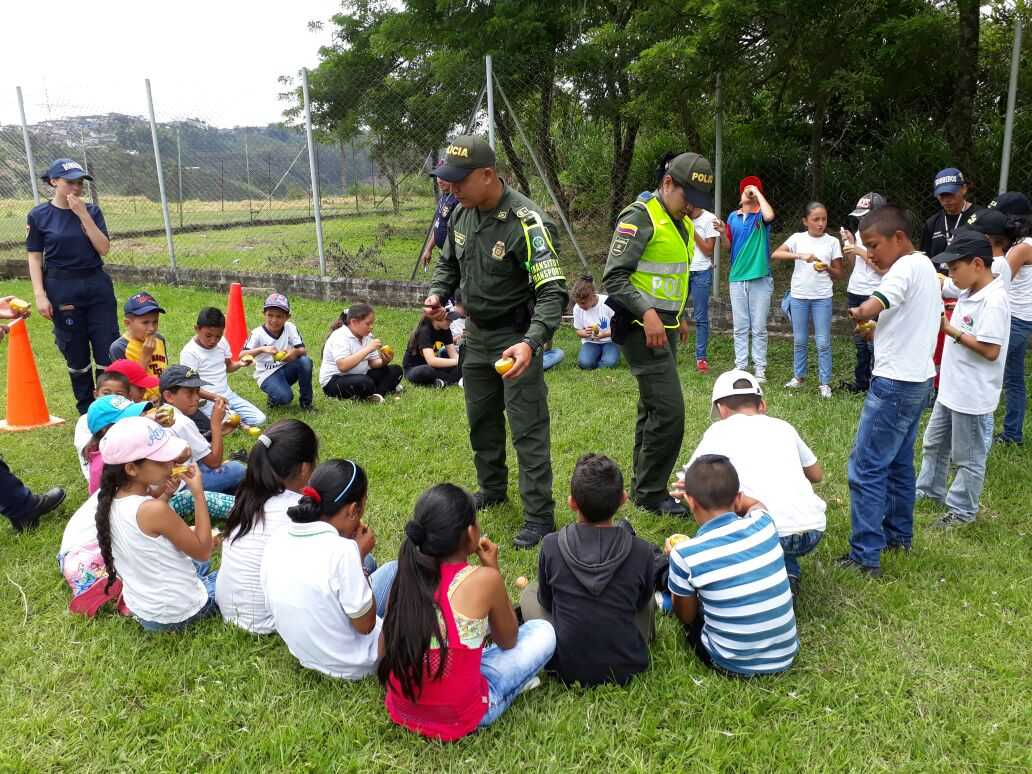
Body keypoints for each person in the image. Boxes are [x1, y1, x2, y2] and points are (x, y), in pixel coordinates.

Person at [424, 135, 569, 548]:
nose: (450, 188)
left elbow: (552, 291)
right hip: (476, 337)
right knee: (481, 421)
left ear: (488, 175)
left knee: (528, 428)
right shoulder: (460, 214)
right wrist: (438, 294)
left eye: (458, 180)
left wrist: (532, 342)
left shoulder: (528, 222)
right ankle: (491, 488)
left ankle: (539, 516)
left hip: (514, 339)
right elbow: (447, 266)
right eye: (446, 180)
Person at [379, 483, 556, 740]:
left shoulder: (406, 574)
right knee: (543, 632)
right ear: (471, 533)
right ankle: (512, 685)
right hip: (462, 715)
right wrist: (493, 571)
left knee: (458, 645)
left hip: (402, 707)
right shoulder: (484, 579)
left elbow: (383, 653)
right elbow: (508, 640)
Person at [603, 152, 714, 517]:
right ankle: (652, 492)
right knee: (670, 411)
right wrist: (650, 313)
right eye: (689, 199)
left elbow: (669, 276)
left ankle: (641, 486)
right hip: (640, 328)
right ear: (668, 183)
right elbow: (615, 277)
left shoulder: (678, 220)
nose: (692, 209)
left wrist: (676, 316)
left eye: (699, 203)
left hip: (663, 326)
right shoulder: (640, 217)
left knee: (651, 406)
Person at [841, 206, 942, 575]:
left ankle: (864, 555)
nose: (870, 253)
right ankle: (899, 535)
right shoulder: (926, 266)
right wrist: (878, 330)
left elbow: (879, 301)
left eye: (874, 245)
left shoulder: (902, 268)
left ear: (899, 237)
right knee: (899, 463)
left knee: (866, 466)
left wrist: (860, 312)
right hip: (918, 379)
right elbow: (907, 317)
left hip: (895, 384)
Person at [684, 370, 826, 595]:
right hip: (813, 528)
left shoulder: (718, 430)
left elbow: (690, 478)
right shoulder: (784, 427)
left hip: (767, 530)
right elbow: (817, 475)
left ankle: (739, 577)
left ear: (721, 410)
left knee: (723, 503)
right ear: (763, 406)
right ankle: (787, 573)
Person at [519, 454, 656, 687]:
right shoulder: (642, 551)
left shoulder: (551, 545)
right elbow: (641, 603)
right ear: (624, 499)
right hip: (628, 664)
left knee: (529, 594)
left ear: (572, 502)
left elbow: (547, 601)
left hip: (565, 665)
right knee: (649, 597)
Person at [261, 459, 398, 680]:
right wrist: (357, 557)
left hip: (306, 655)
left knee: (369, 564)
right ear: (353, 510)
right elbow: (366, 625)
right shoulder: (343, 552)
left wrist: (357, 557)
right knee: (394, 570)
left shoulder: (277, 537)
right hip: (355, 663)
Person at [667, 454, 798, 677]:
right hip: (786, 655)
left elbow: (686, 618)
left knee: (688, 601)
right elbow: (756, 504)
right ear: (738, 498)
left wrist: (674, 562)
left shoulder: (685, 554)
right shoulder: (764, 522)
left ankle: (662, 601)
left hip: (730, 663)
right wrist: (738, 500)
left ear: (691, 502)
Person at [916, 231, 1010, 528]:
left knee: (967, 457)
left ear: (978, 264)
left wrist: (950, 329)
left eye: (955, 268)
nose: (951, 274)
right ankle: (929, 490)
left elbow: (991, 351)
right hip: (950, 389)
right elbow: (945, 286)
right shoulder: (970, 290)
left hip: (973, 395)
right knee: (934, 444)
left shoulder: (994, 301)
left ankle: (961, 510)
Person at [94, 416, 219, 632]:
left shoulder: (110, 499)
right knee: (234, 575)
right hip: (180, 613)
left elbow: (144, 528)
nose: (172, 463)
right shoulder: (154, 510)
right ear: (132, 468)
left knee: (198, 566)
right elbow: (203, 551)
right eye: (162, 459)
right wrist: (198, 494)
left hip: (145, 610)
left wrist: (166, 494)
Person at [26, 159, 119, 415]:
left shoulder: (92, 212)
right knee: (76, 354)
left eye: (80, 183)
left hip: (96, 284)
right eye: (70, 182)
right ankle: (86, 412)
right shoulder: (39, 216)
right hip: (62, 287)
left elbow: (104, 248)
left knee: (106, 350)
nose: (76, 188)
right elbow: (34, 256)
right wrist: (40, 294)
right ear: (54, 182)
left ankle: (109, 408)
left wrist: (83, 215)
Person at [216, 420, 317, 634]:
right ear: (305, 468)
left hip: (230, 611)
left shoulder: (248, 496)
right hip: (265, 621)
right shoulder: (296, 511)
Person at [771, 202, 843, 397]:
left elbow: (839, 273)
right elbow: (776, 253)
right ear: (805, 221)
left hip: (822, 298)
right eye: (816, 219)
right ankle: (799, 377)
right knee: (800, 340)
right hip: (799, 296)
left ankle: (825, 382)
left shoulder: (832, 242)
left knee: (823, 342)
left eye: (824, 219)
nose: (821, 223)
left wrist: (826, 267)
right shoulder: (797, 238)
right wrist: (800, 256)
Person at [985, 193, 1032, 445]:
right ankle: (1013, 435)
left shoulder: (1022, 246)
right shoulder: (1022, 244)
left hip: (1013, 319)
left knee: (986, 372)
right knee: (1013, 378)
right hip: (1021, 319)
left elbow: (998, 279)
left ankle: (981, 431)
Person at [159, 366, 246, 495]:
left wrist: (217, 432)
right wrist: (215, 424)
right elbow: (214, 463)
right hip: (182, 488)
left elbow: (193, 447)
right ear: (169, 396)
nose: (196, 398)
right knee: (238, 469)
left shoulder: (160, 413)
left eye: (197, 391)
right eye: (189, 393)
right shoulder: (182, 422)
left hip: (168, 480)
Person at [180, 307, 267, 428]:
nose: (213, 341)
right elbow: (191, 387)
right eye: (208, 336)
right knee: (227, 423)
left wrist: (240, 364)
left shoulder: (222, 343)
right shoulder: (190, 352)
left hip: (228, 395)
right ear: (197, 329)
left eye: (218, 336)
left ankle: (235, 419)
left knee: (260, 419)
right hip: (207, 400)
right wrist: (215, 397)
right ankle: (236, 421)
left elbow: (228, 367)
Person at [726, 176, 776, 382]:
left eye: (752, 189)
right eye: (745, 188)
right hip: (737, 278)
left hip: (760, 278)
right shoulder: (732, 217)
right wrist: (722, 233)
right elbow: (727, 246)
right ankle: (740, 366)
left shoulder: (761, 218)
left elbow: (770, 215)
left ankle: (760, 368)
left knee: (759, 327)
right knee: (740, 326)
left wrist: (757, 192)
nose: (747, 191)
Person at [841, 192, 887, 393]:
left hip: (874, 294)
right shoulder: (860, 234)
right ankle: (861, 383)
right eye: (859, 217)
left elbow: (885, 270)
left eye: (865, 216)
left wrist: (861, 251)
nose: (861, 220)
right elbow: (853, 266)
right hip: (856, 290)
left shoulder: (886, 238)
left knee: (874, 342)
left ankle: (877, 385)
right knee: (860, 343)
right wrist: (850, 245)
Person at [241, 293, 314, 411]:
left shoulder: (290, 327)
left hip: (285, 368)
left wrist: (293, 353)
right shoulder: (257, 333)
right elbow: (242, 355)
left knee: (306, 362)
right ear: (263, 314)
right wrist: (262, 349)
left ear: (287, 317)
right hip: (266, 374)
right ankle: (274, 397)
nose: (274, 320)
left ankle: (306, 404)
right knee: (286, 398)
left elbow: (302, 350)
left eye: (279, 316)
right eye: (270, 315)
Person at [319, 303, 403, 401]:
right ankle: (385, 388)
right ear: (354, 322)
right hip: (334, 381)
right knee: (365, 383)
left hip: (361, 375)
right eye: (368, 324)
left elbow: (372, 363)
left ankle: (376, 395)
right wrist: (368, 349)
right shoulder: (340, 336)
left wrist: (384, 361)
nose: (371, 327)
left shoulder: (367, 336)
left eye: (372, 323)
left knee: (396, 370)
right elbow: (343, 366)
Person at [73, 369, 132, 483]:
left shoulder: (130, 415)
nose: (112, 399)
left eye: (119, 394)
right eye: (106, 393)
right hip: (100, 476)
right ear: (96, 394)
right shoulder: (85, 421)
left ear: (129, 397)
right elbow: (87, 454)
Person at [921, 168, 986, 267]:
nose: (946, 200)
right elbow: (925, 259)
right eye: (942, 195)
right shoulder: (932, 223)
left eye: (950, 194)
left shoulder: (981, 216)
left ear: (964, 189)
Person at [109, 291, 169, 381]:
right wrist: (145, 356)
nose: (152, 328)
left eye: (155, 322)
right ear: (128, 323)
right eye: (145, 322)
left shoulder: (159, 339)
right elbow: (127, 387)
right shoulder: (119, 348)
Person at [570, 275, 620, 370]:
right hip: (591, 342)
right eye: (578, 303)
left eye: (583, 303)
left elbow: (619, 328)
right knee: (584, 364)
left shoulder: (608, 302)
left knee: (609, 363)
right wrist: (584, 333)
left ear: (593, 295)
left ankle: (606, 357)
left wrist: (604, 334)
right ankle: (598, 357)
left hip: (610, 340)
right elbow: (578, 330)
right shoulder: (577, 308)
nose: (581, 306)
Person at [403, 310, 460, 388]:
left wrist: (461, 363)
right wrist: (459, 361)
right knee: (427, 371)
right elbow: (431, 361)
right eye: (448, 319)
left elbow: (454, 355)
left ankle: (442, 382)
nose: (451, 321)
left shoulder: (446, 330)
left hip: (435, 367)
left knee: (462, 367)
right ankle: (451, 380)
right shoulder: (424, 331)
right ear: (436, 318)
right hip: (414, 369)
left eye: (451, 319)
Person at [419, 173, 460, 271]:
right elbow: (439, 225)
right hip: (444, 254)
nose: (439, 180)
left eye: (444, 176)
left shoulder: (458, 200)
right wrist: (429, 248)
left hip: (455, 256)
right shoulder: (444, 196)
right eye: (438, 176)